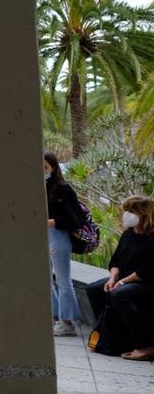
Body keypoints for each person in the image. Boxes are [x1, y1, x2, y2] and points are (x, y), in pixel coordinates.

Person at [85, 196, 154, 360]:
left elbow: (147, 270)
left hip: (146, 282)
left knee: (119, 294)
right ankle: (108, 334)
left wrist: (122, 282)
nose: (127, 214)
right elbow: (116, 261)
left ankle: (144, 346)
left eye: (131, 211)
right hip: (125, 279)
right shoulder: (128, 234)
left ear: (143, 214)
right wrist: (112, 279)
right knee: (94, 289)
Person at [46, 151, 82, 337]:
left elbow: (74, 218)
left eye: (45, 167)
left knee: (63, 280)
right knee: (45, 279)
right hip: (42, 236)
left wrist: (53, 222)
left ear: (53, 168)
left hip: (58, 235)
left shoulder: (63, 189)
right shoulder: (38, 188)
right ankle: (54, 316)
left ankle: (68, 322)